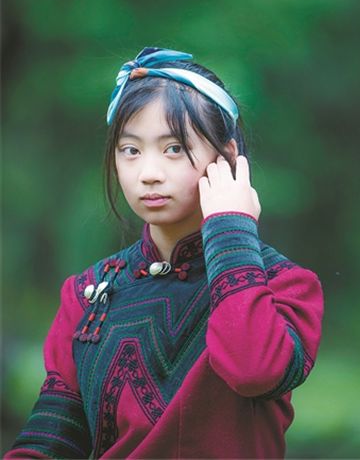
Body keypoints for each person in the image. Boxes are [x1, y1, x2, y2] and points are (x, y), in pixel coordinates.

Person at [6, 47, 324, 459]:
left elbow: (255, 371)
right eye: (131, 150)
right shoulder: (87, 293)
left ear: (227, 157)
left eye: (174, 148)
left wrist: (230, 228)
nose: (148, 173)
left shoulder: (284, 283)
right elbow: (51, 440)